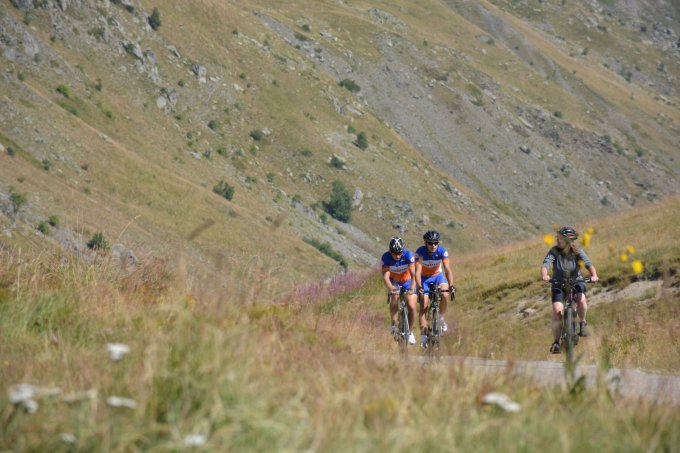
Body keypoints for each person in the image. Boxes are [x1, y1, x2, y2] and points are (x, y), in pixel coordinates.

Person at [540, 226, 599, 354]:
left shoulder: (577, 251)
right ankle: (556, 342)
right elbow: (546, 264)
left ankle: (582, 323)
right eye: (557, 238)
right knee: (557, 311)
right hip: (558, 283)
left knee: (581, 300)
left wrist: (594, 275)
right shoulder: (554, 251)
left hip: (576, 281)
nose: (557, 240)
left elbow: (589, 265)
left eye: (560, 238)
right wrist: (545, 275)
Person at [415, 230, 455, 349]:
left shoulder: (442, 251)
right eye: (430, 243)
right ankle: (423, 338)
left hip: (438, 276)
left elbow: (447, 269)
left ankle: (441, 318)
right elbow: (417, 271)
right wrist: (419, 287)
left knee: (445, 294)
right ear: (425, 243)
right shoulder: (420, 252)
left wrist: (451, 285)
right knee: (424, 305)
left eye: (436, 243)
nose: (433, 246)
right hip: (424, 279)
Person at [381, 237, 417, 345]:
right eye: (394, 253)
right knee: (395, 296)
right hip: (394, 281)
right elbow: (386, 276)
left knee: (411, 305)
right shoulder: (386, 257)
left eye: (399, 253)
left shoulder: (408, 255)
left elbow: (414, 274)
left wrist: (412, 288)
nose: (397, 256)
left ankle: (410, 332)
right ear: (390, 251)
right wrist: (391, 288)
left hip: (407, 281)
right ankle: (393, 324)